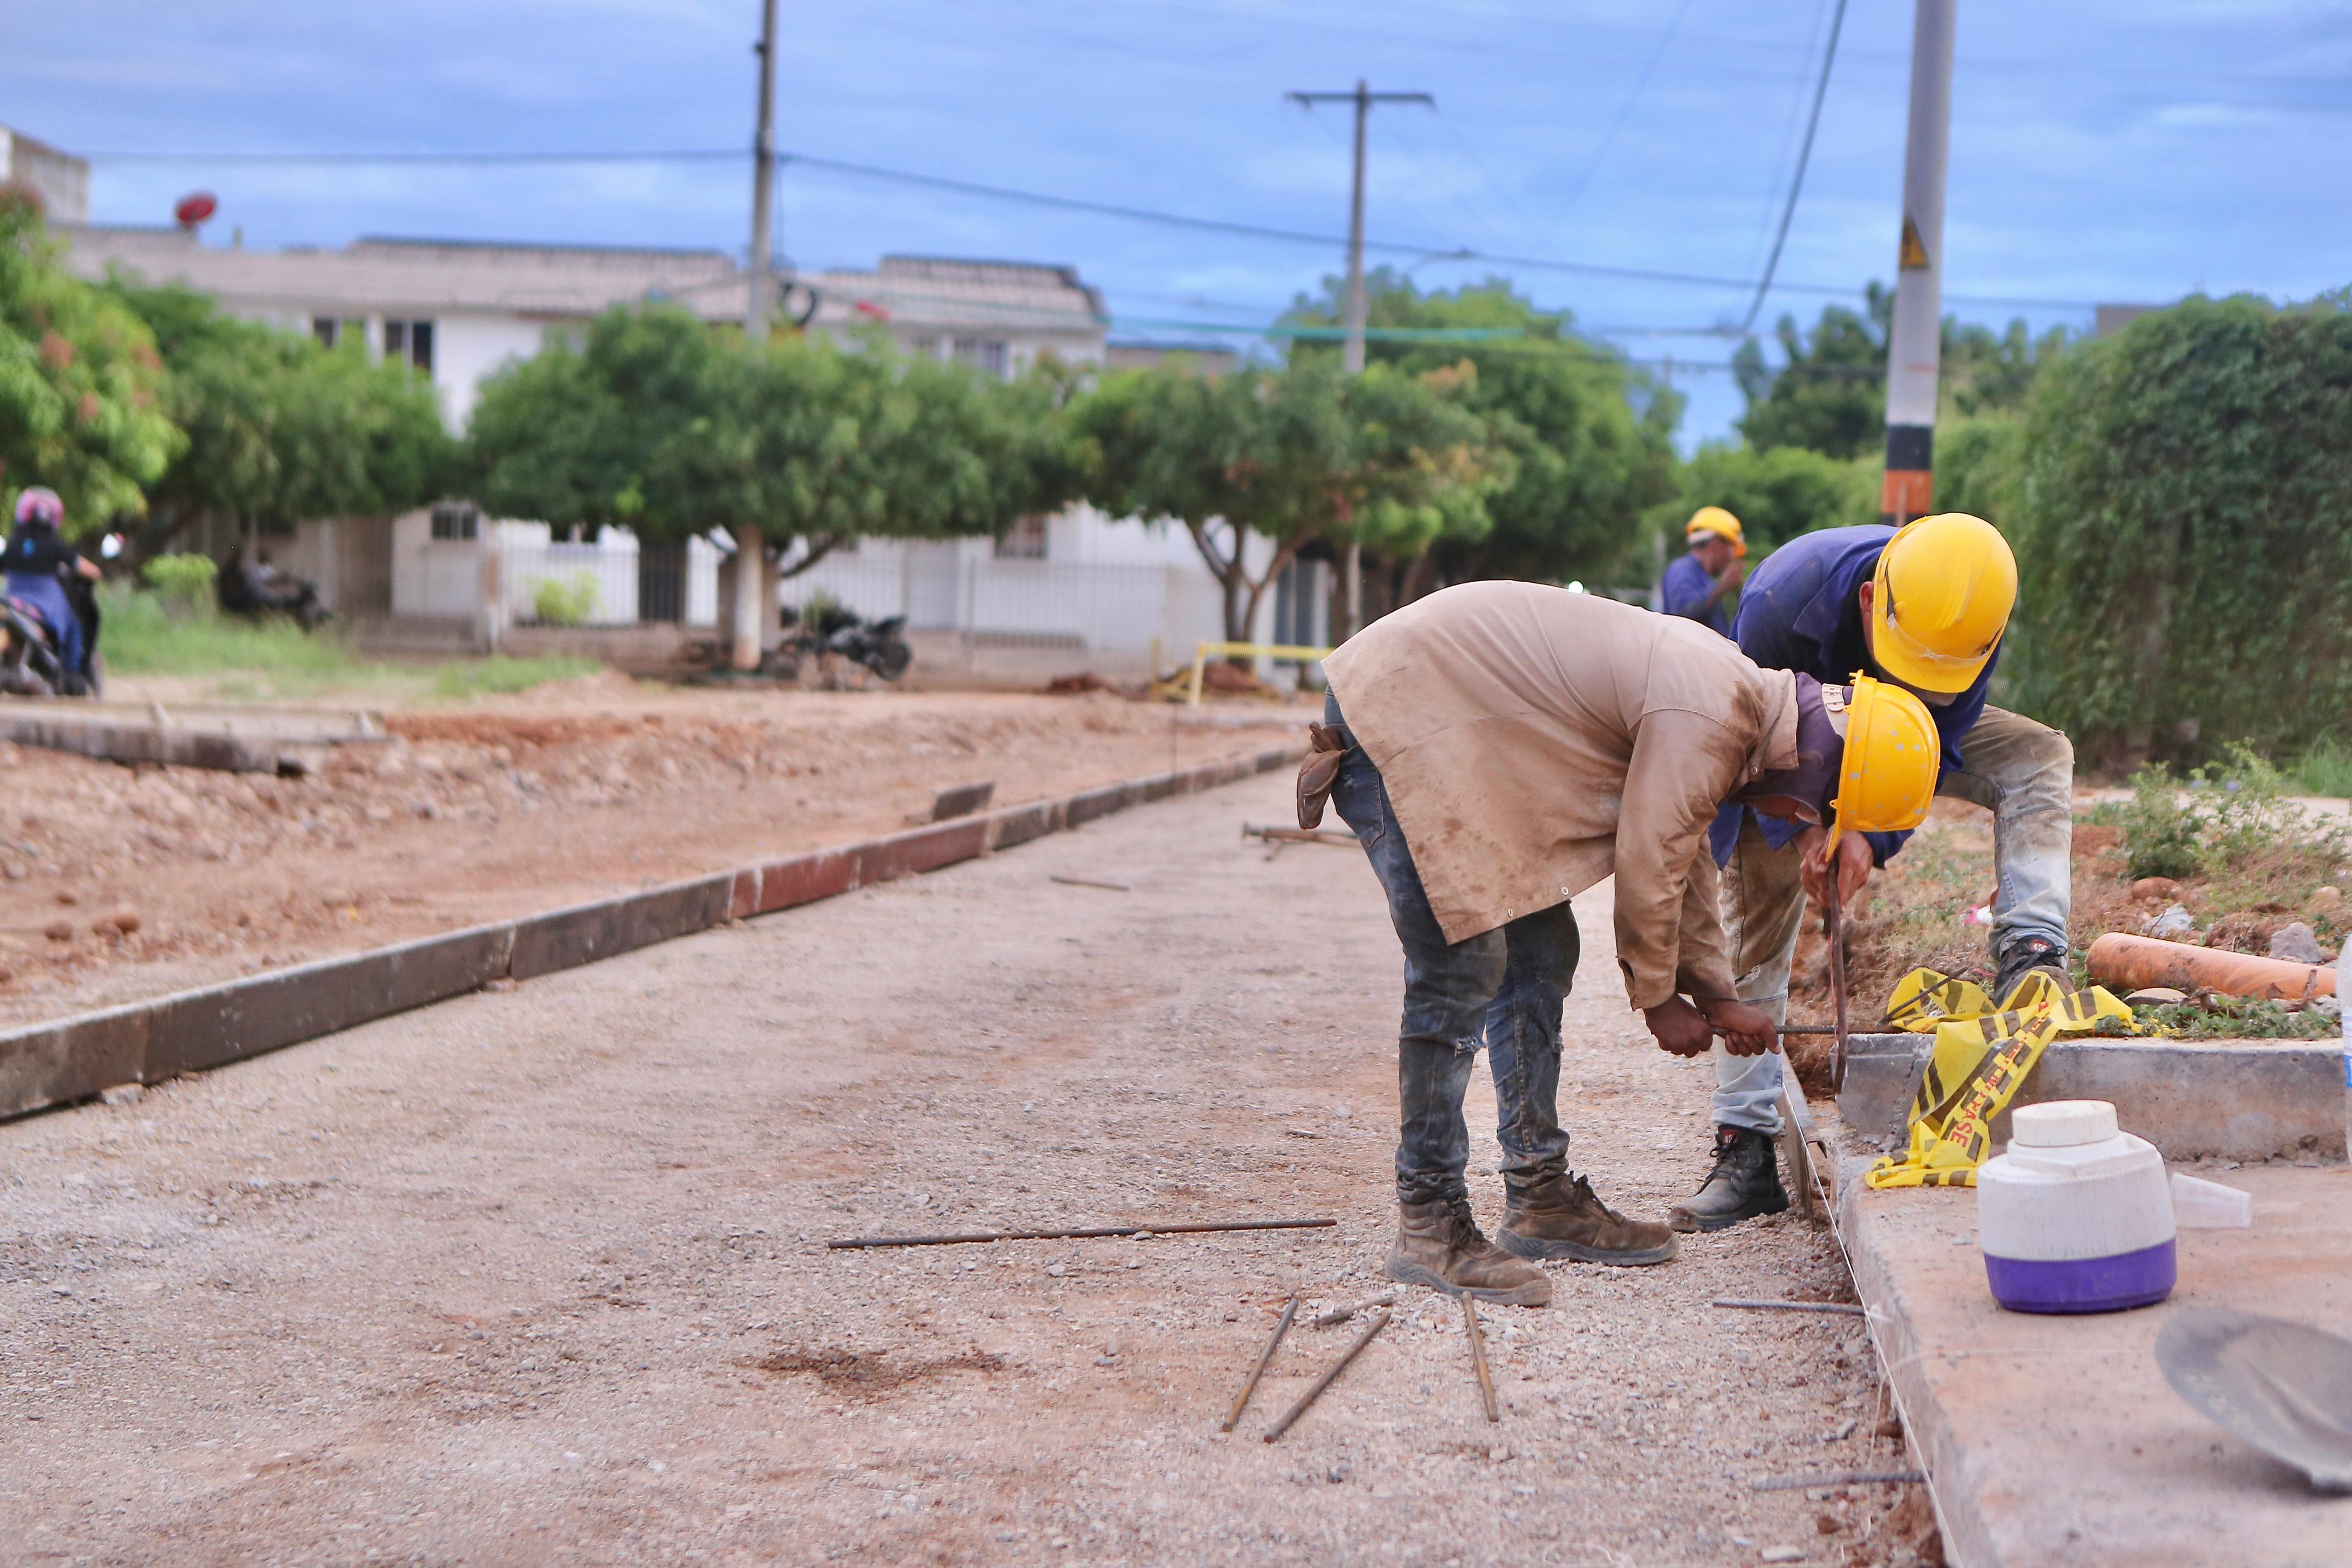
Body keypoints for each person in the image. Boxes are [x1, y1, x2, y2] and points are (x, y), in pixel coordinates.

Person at [1304, 581, 1938, 1305]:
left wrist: (1716, 994)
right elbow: (1650, 854)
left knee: (1539, 945)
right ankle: (1428, 1221)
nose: (1797, 825)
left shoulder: (1737, 702)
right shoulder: (1712, 711)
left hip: (1455, 717)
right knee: (1464, 959)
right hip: (1406, 707)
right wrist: (1659, 997)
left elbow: (1685, 851)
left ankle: (1539, 1195)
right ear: (1819, 773)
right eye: (1816, 816)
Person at [1670, 512, 2074, 1235]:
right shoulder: (1778, 602)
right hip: (1777, 742)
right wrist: (1805, 829)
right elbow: (1741, 737)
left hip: (1896, 741)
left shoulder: (1973, 610)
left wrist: (1869, 833)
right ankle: (1744, 1149)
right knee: (1759, 915)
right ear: (1867, 601)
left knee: (2034, 754)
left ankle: (2030, 952)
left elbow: (1936, 740)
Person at [4, 488, 101, 688]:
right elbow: (82, 567)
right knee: (73, 626)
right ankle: (72, 676)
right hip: (44, 603)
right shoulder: (54, 543)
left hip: (13, 599)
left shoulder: (14, 540)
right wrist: (99, 572)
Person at [1659, 506, 1747, 638]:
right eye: (1731, 548)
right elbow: (1684, 613)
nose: (1732, 557)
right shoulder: (1682, 569)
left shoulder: (1705, 579)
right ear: (1716, 544)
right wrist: (1722, 586)